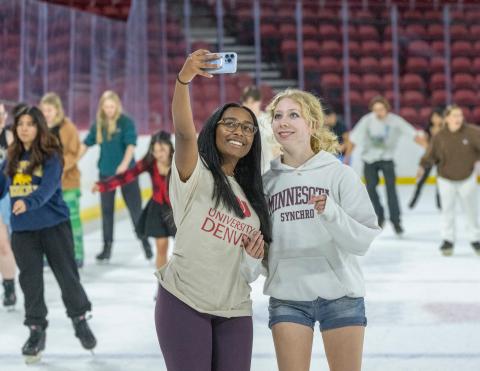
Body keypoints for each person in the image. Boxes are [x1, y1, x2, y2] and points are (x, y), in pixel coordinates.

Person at [154, 49, 271, 371]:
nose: (239, 131)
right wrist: (183, 80)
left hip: (235, 308)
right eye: (230, 123)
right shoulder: (197, 173)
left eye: (248, 128)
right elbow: (182, 133)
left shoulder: (253, 198)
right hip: (183, 302)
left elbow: (251, 270)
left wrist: (252, 256)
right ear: (213, 129)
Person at [262, 89, 381, 371]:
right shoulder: (266, 182)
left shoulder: (339, 174)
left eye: (294, 115)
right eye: (278, 116)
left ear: (312, 124)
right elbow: (263, 248)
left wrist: (331, 213)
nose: (283, 122)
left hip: (341, 296)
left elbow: (362, 242)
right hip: (288, 296)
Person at [0, 106, 96, 364]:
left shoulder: (52, 155)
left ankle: (79, 320)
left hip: (54, 226)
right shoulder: (10, 156)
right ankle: (36, 331)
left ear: (39, 126)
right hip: (23, 232)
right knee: (30, 283)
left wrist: (28, 203)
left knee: (67, 277)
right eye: (20, 123)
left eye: (30, 123)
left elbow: (49, 187)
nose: (24, 128)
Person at [79, 90, 152, 262]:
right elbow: (86, 144)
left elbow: (131, 146)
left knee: (135, 211)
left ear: (117, 106)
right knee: (106, 212)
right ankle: (106, 248)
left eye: (112, 107)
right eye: (106, 107)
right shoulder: (99, 124)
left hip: (127, 174)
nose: (109, 110)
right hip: (106, 174)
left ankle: (145, 244)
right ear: (102, 108)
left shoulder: (126, 122)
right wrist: (73, 160)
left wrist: (124, 165)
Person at [93, 131, 176, 270]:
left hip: (178, 210)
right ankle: (163, 287)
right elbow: (127, 175)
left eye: (162, 150)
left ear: (170, 147)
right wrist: (104, 185)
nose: (158, 154)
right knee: (161, 247)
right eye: (155, 151)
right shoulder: (150, 161)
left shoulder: (179, 160)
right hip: (158, 207)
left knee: (183, 251)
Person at [348, 96, 424, 235]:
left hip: (387, 158)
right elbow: (354, 139)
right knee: (370, 189)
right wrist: (347, 159)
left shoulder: (395, 121)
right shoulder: (367, 120)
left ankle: (396, 222)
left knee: (391, 190)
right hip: (369, 158)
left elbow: (413, 135)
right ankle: (379, 216)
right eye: (375, 110)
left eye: (381, 109)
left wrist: (427, 149)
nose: (378, 113)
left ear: (387, 109)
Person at [418, 105, 480, 256]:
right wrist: (422, 165)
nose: (458, 118)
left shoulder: (472, 132)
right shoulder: (440, 136)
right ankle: (448, 240)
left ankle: (475, 239)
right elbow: (431, 154)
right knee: (447, 210)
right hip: (445, 178)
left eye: (460, 115)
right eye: (454, 116)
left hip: (467, 178)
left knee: (471, 210)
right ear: (447, 118)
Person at [40, 92, 85, 268]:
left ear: (57, 110)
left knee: (72, 220)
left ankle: (77, 253)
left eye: (49, 110)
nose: (46, 113)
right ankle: (48, 256)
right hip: (46, 186)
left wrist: (56, 168)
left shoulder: (68, 127)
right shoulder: (40, 128)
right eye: (43, 110)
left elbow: (74, 153)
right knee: (46, 222)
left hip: (68, 182)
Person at [240, 85, 281, 173]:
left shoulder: (268, 121)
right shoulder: (239, 122)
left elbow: (277, 147)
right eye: (245, 102)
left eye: (251, 102)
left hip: (266, 170)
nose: (248, 105)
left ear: (259, 102)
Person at [409, 108, 444, 209]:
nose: (435, 119)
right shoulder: (428, 129)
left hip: (441, 158)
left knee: (440, 182)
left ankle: (439, 204)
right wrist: (423, 144)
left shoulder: (445, 130)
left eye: (438, 117)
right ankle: (413, 201)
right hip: (430, 158)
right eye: (434, 117)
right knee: (421, 181)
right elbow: (427, 146)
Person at [0, 103, 16, 309]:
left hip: (5, 195)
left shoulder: (11, 138)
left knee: (4, 244)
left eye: (2, 114)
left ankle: (9, 287)